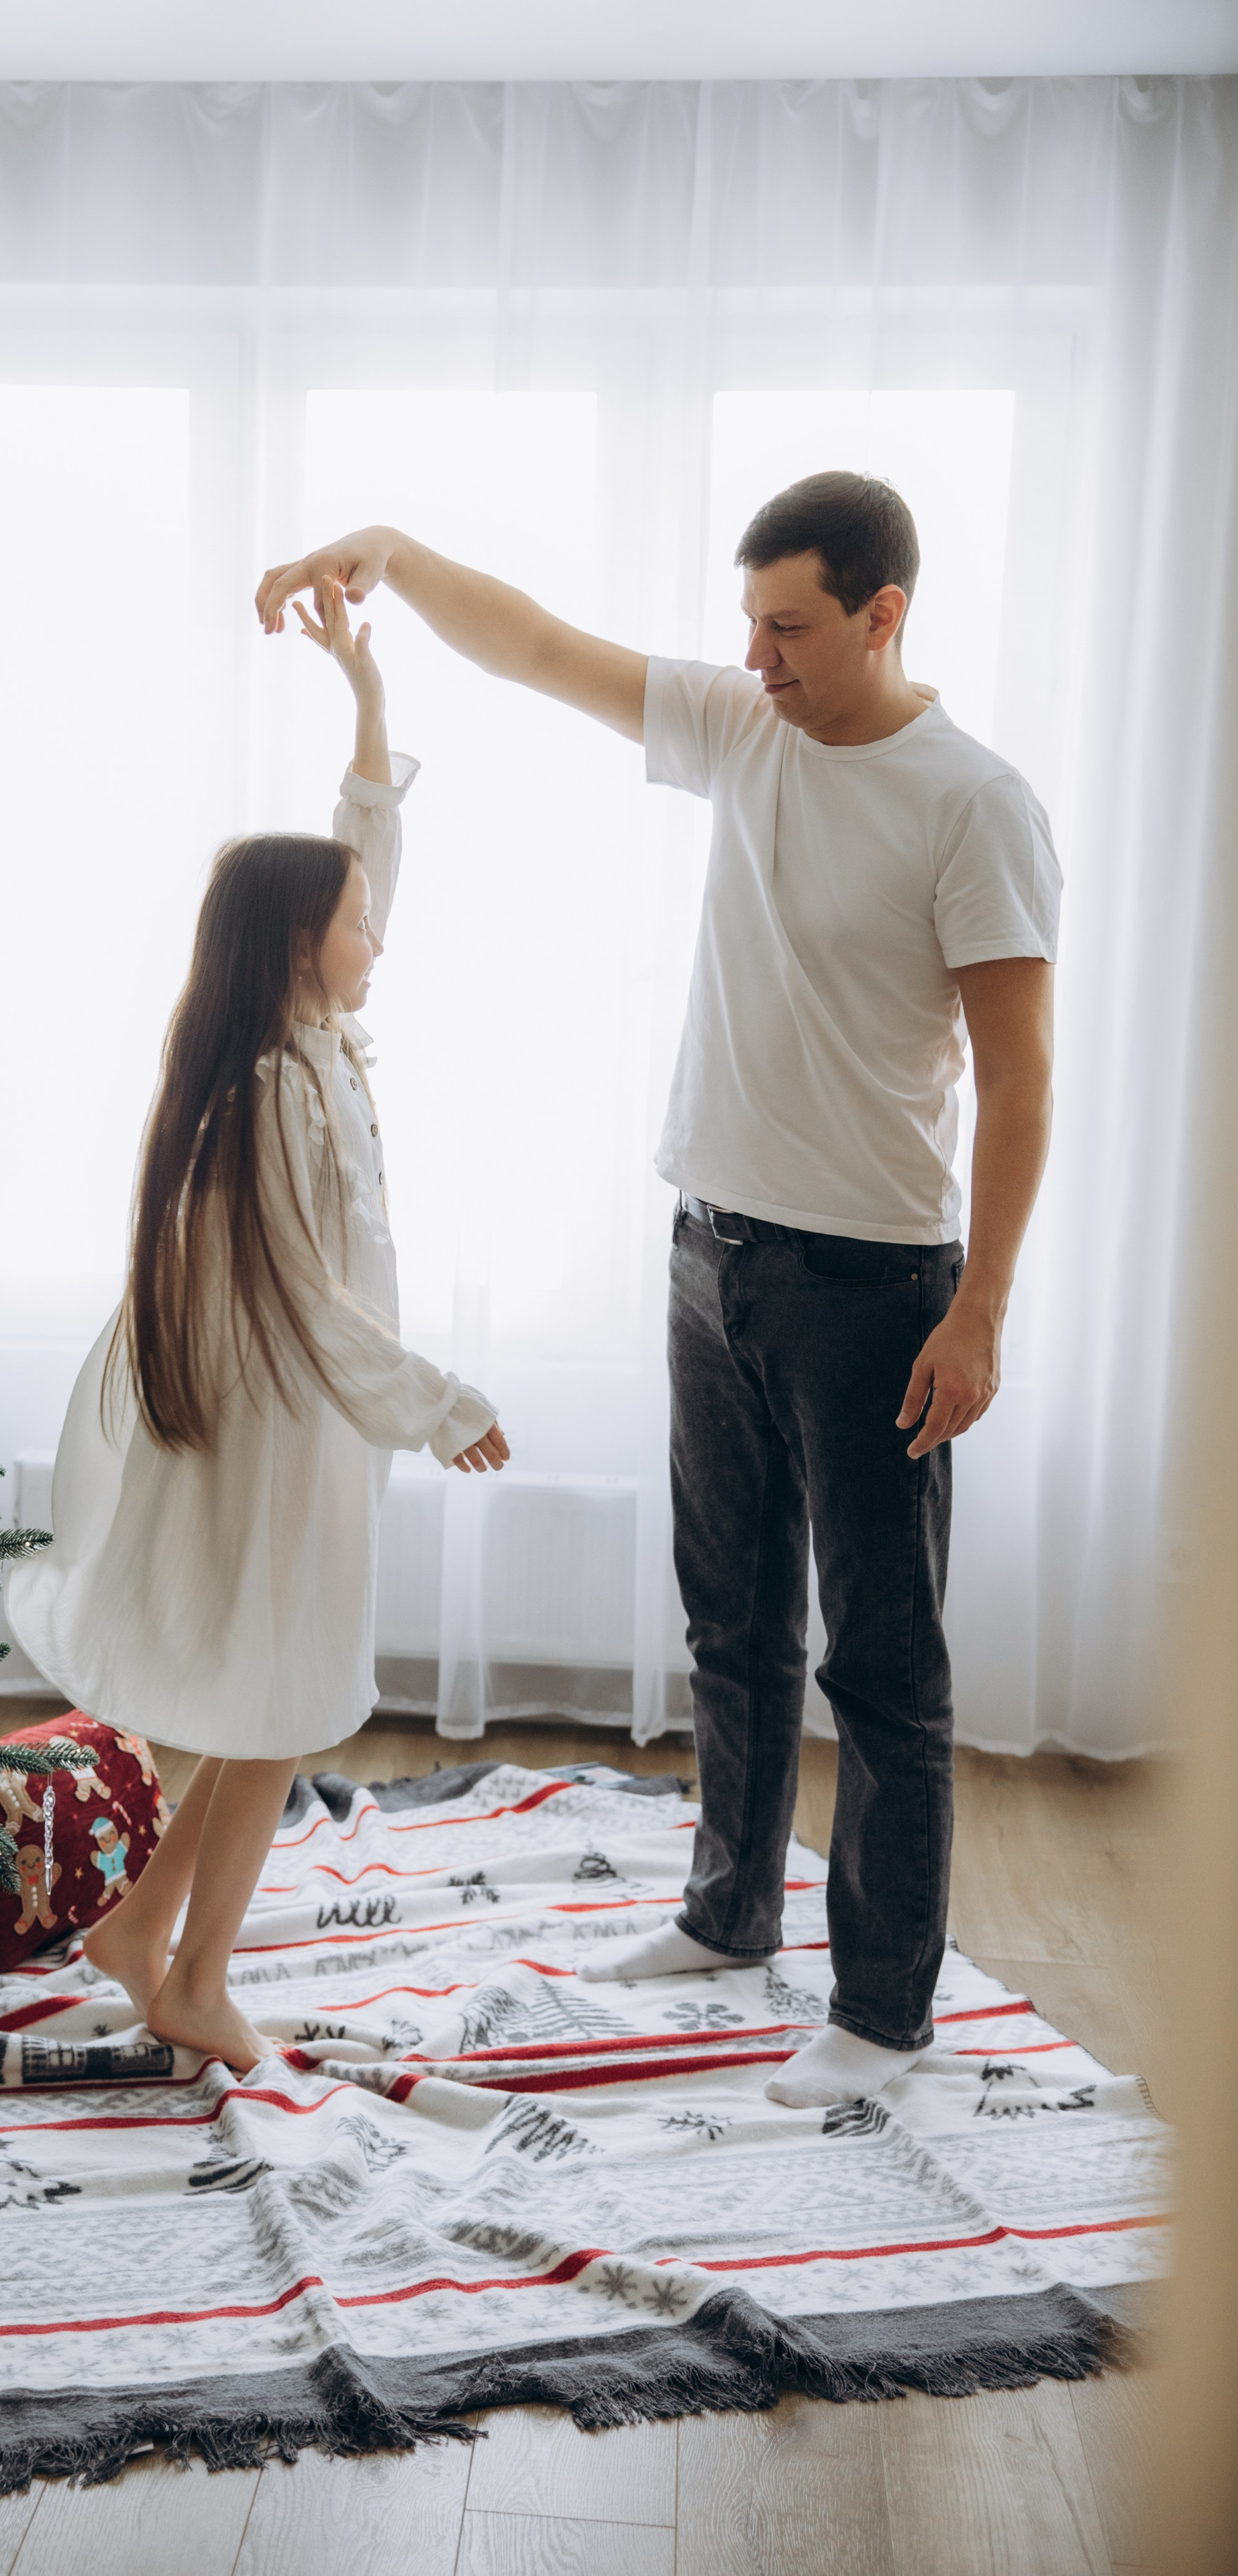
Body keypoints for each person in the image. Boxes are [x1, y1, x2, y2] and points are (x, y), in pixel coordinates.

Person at [256, 474, 1058, 2106]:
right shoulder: (744, 723)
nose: (751, 656)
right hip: (711, 1254)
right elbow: (541, 647)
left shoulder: (972, 803)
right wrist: (397, 556)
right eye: (744, 623)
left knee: (882, 1664)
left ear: (880, 616)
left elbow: (1021, 1075)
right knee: (731, 1625)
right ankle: (725, 1916)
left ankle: (884, 2013)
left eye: (788, 627)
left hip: (872, 1288)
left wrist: (976, 1311)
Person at [9, 580, 508, 2073]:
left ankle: (141, 1932)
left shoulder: (311, 1030)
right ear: (303, 942)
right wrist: (442, 1399)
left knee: (260, 1698)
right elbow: (306, 1294)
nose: (380, 938)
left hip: (294, 1420)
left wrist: (362, 688)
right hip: (285, 1418)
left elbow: (368, 841)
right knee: (276, 1703)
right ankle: (196, 1971)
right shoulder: (278, 1088)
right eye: (360, 924)